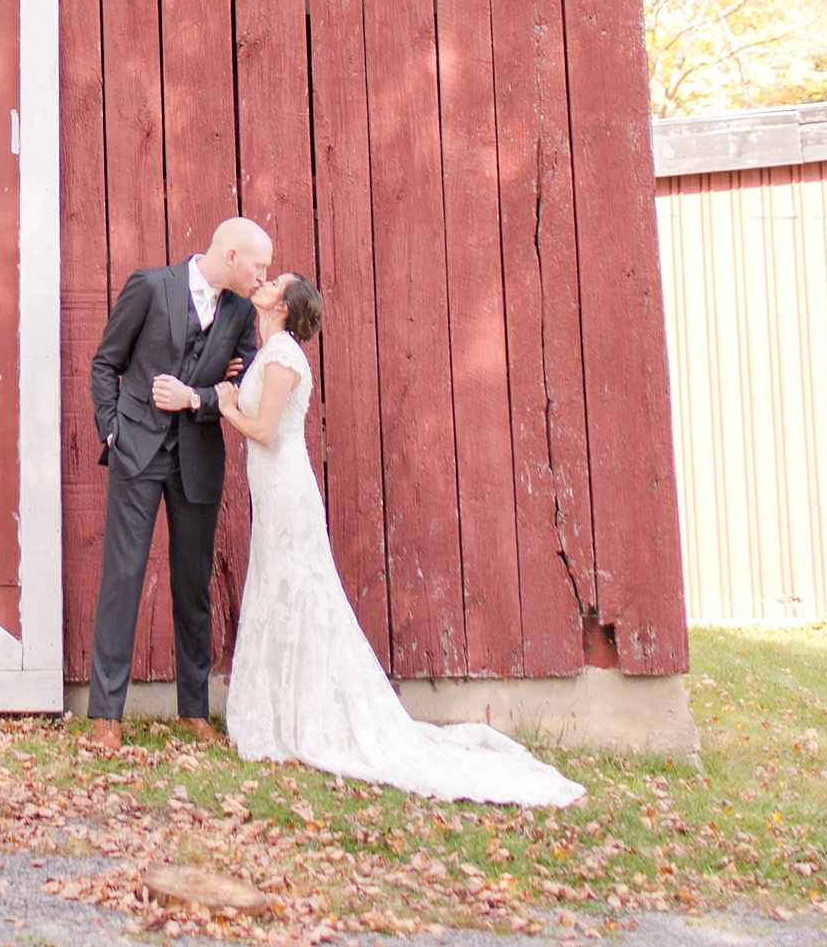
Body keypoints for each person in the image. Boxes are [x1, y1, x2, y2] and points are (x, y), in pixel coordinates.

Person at [218, 272, 584, 805]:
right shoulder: (271, 352)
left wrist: (230, 408)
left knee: (296, 590)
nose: (267, 282)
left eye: (276, 283)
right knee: (282, 588)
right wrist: (238, 379)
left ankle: (302, 719)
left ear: (285, 306)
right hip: (275, 490)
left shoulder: (281, 357)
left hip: (285, 488)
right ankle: (283, 710)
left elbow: (266, 431)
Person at [86, 216, 272, 750]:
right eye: (258, 266)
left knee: (192, 587)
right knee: (122, 578)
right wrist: (113, 430)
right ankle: (106, 716)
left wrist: (201, 397)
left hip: (197, 456)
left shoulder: (239, 312)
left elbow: (245, 386)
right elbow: (106, 363)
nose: (263, 277)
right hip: (138, 452)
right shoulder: (151, 286)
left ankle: (194, 711)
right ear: (232, 256)